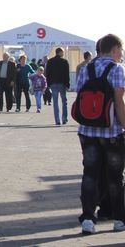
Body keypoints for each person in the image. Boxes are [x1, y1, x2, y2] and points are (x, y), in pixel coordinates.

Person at [76, 34, 125, 235]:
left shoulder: (85, 68)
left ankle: (88, 218)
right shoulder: (117, 69)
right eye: (120, 50)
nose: (121, 54)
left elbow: (80, 96)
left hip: (87, 131)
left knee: (90, 175)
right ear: (114, 49)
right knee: (114, 177)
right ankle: (119, 220)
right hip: (111, 131)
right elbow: (119, 102)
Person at [46, 47, 71, 125]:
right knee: (64, 101)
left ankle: (57, 120)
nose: (63, 54)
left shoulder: (50, 61)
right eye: (62, 52)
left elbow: (47, 73)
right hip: (62, 84)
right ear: (59, 52)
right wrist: (67, 84)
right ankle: (64, 118)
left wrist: (48, 83)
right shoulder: (64, 61)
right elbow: (67, 74)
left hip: (53, 84)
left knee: (55, 102)